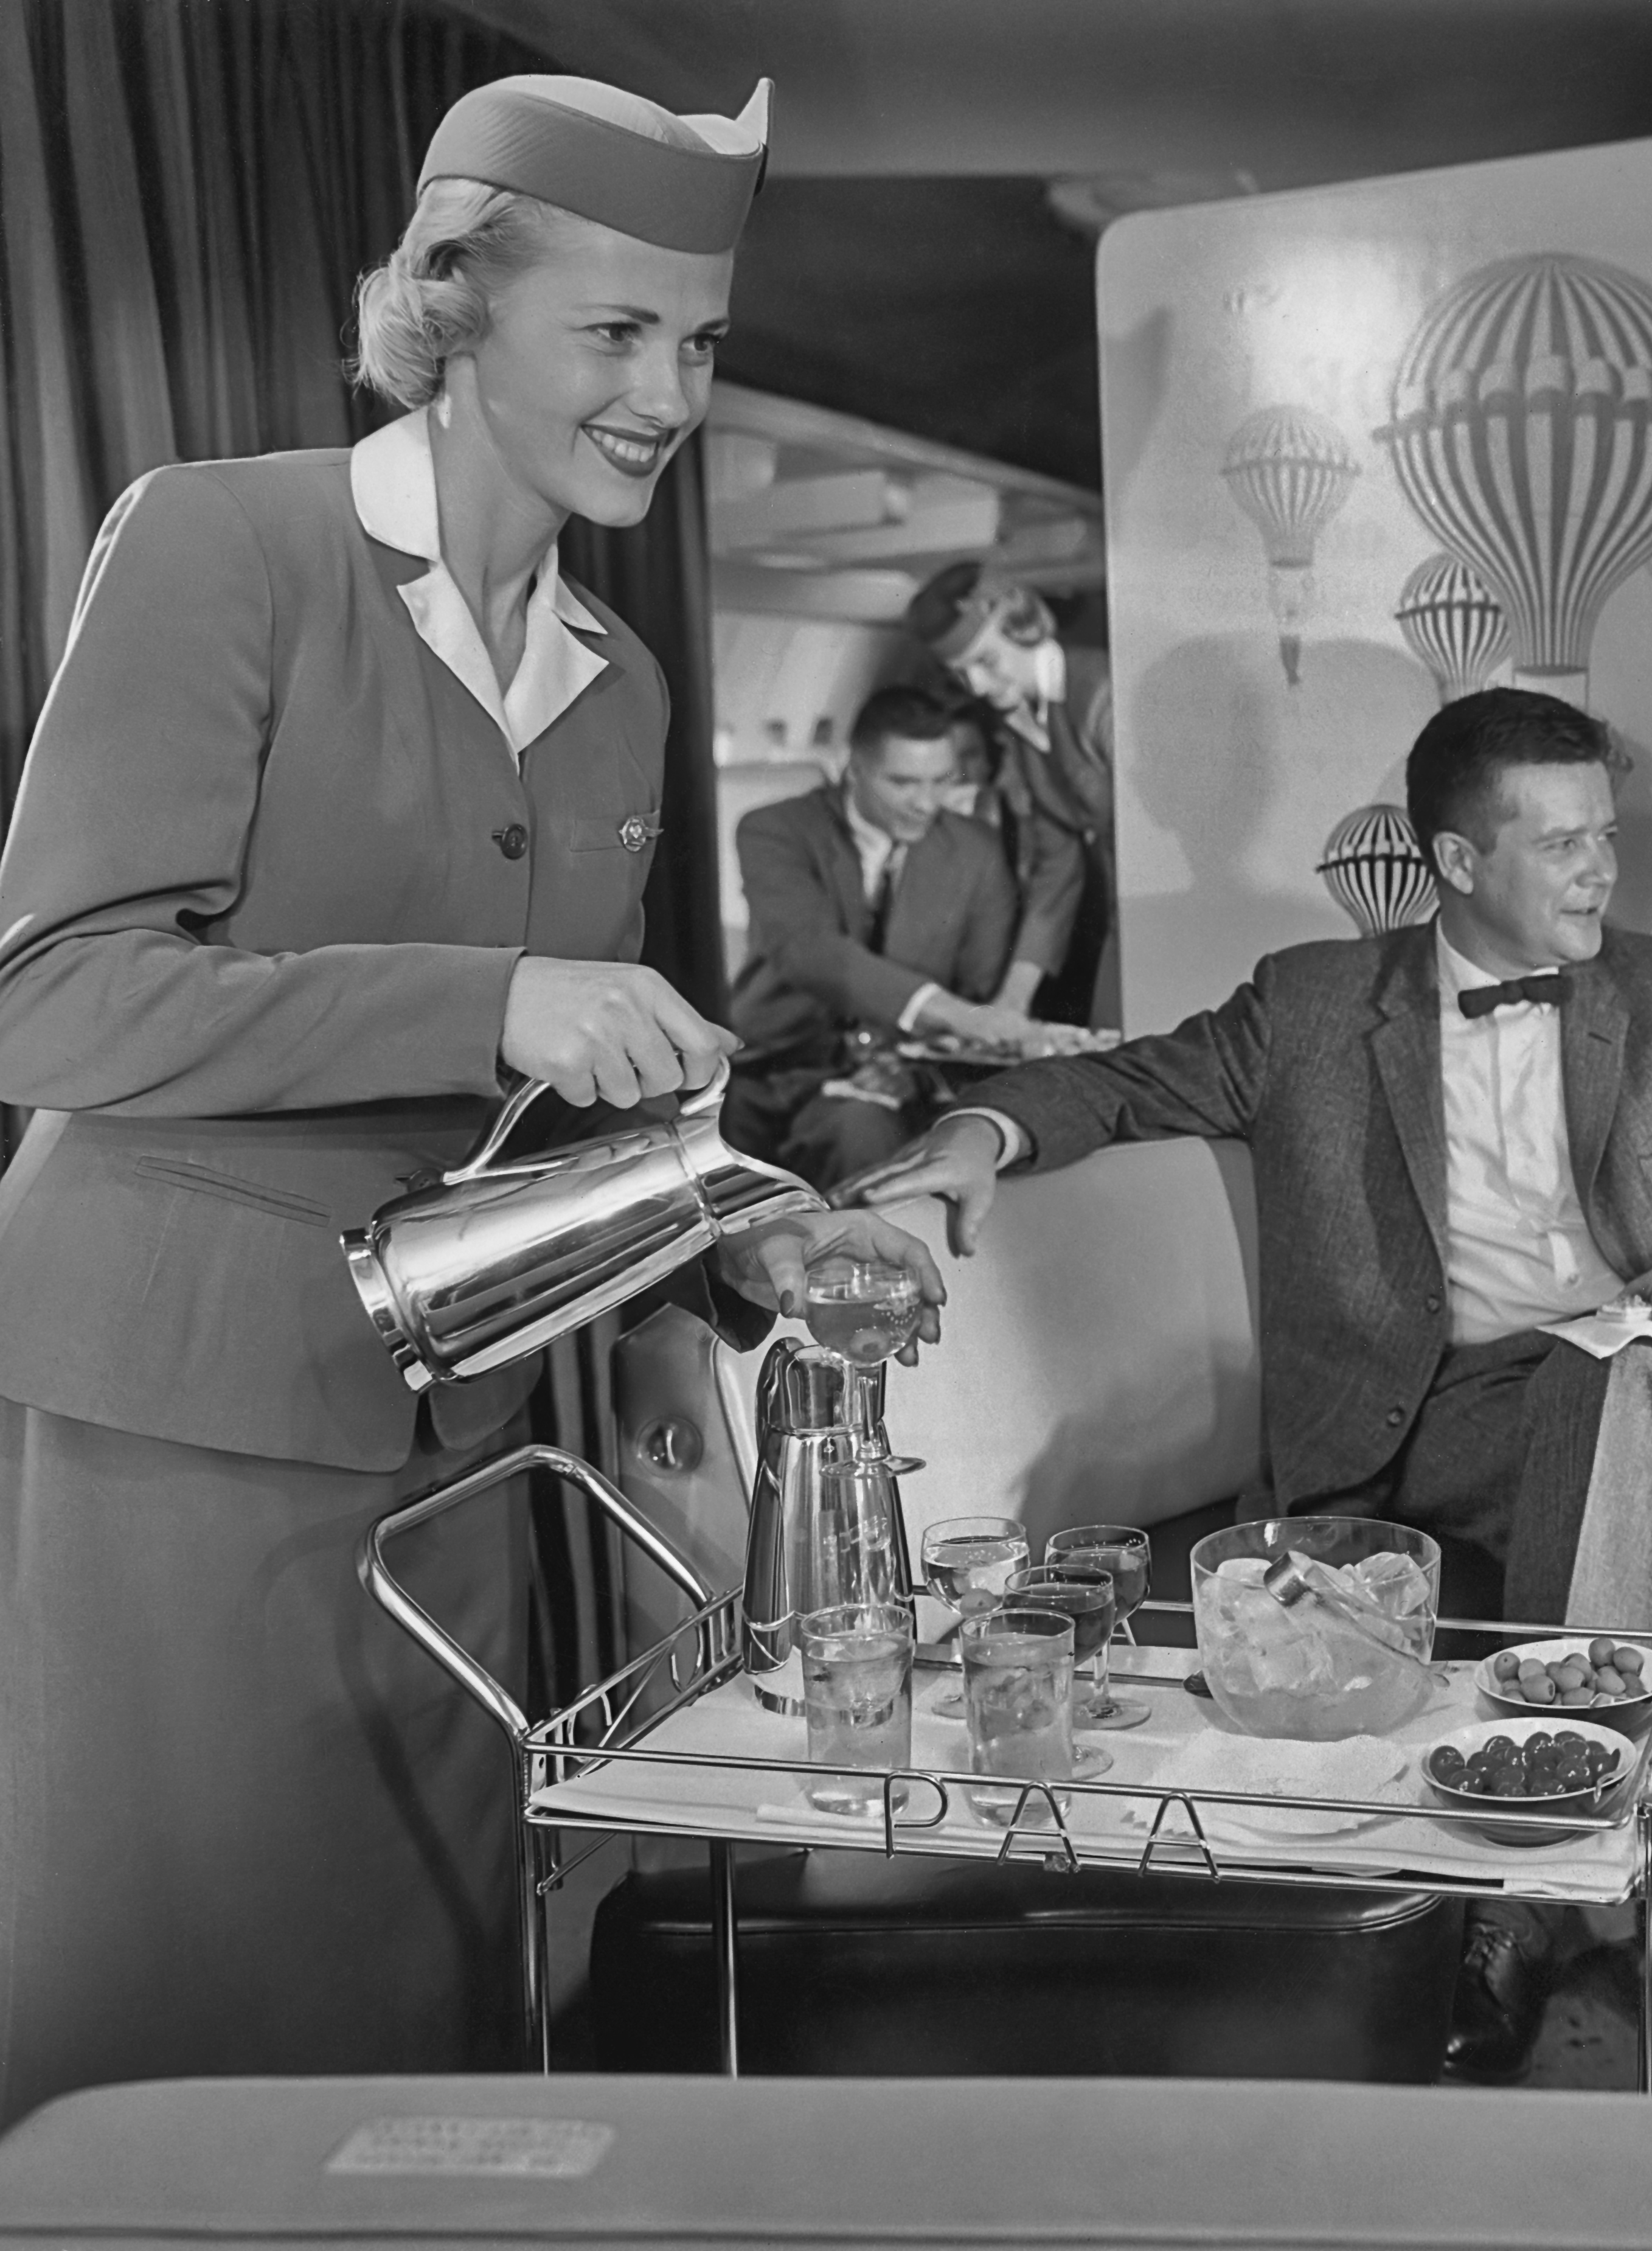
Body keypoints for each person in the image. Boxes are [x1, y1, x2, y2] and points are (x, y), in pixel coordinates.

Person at [0, 74, 944, 2127]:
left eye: (698, 342)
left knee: (434, 1994)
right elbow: (49, 998)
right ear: (450, 304)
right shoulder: (226, 544)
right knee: (188, 2030)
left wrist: (748, 1231)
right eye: (613, 331)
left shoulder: (621, 676)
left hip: (459, 1435)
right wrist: (490, 998)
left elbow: (575, 1108)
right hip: (183, 1422)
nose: (667, 393)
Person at [844, 685, 1652, 2079]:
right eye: (1560, 843)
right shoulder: (1308, 1004)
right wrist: (983, 1129)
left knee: (1631, 1392)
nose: (1601, 869)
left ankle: (1525, 1893)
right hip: (1429, 1419)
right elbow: (1125, 1084)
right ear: (1457, 860)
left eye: (1605, 835)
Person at [725, 684, 1106, 1188]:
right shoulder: (775, 829)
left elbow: (978, 989)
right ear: (853, 768)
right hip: (779, 1068)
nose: (926, 804)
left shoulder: (975, 851)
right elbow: (807, 951)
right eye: (903, 783)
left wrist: (917, 1069)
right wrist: (959, 1016)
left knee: (867, 1132)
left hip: (902, 1075)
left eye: (941, 781)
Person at [905, 561, 1112, 1028]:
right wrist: (1011, 1001)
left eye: (985, 662)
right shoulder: (1019, 723)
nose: (977, 687)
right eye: (961, 675)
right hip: (1124, 922)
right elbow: (1057, 867)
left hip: (1162, 913)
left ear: (1026, 629)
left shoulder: (1101, 695)